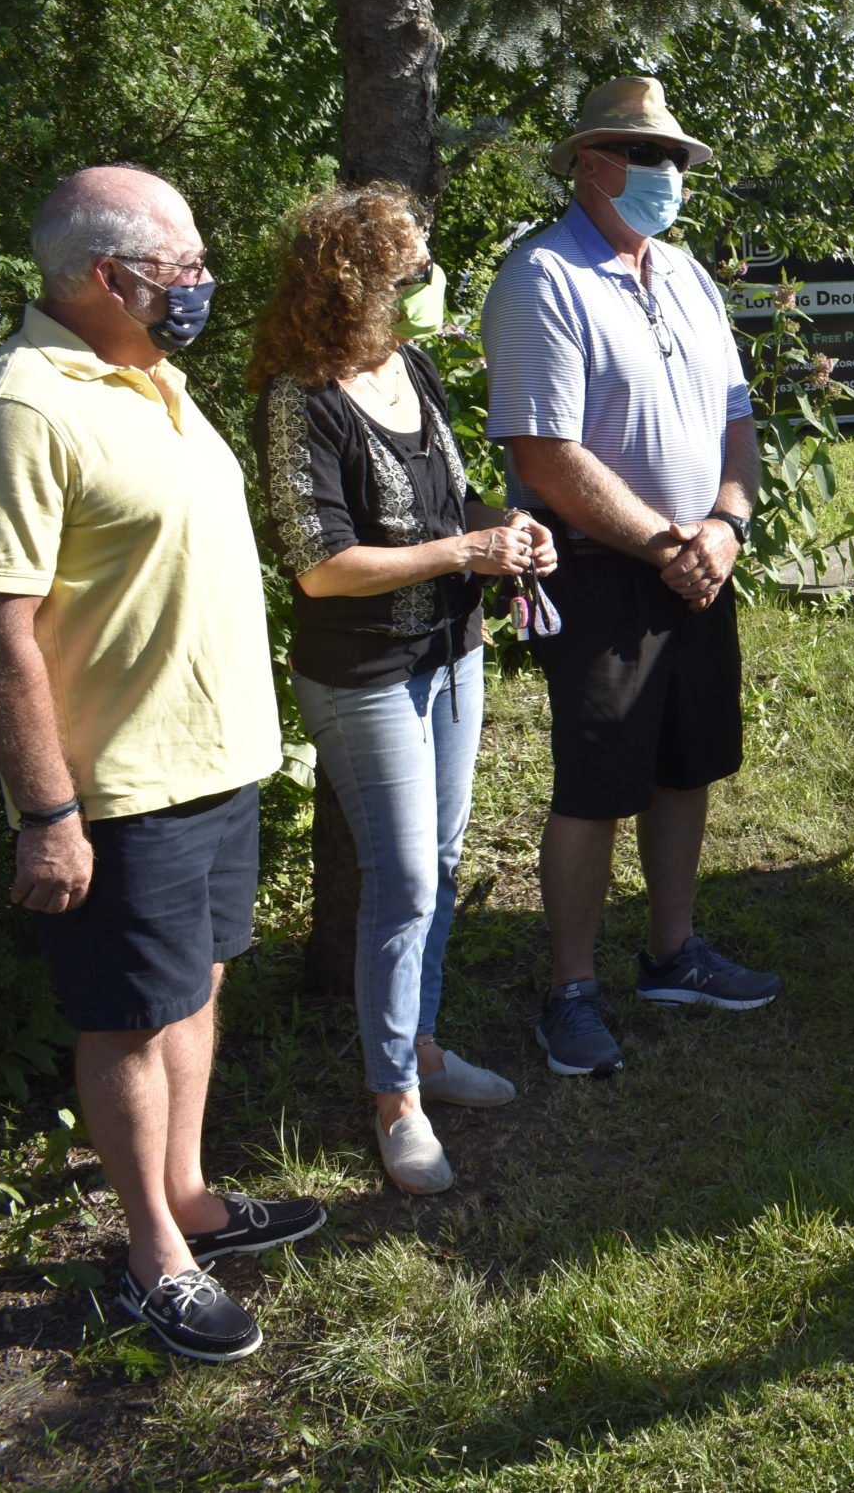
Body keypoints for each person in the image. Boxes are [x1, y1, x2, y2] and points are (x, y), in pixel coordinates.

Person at [0, 165, 321, 1364]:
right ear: (106, 278)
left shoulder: (156, 376)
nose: (203, 285)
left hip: (214, 761)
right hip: (116, 790)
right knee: (128, 1023)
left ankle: (197, 1199)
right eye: (185, 267)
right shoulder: (19, 408)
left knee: (197, 987)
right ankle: (154, 1253)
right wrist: (48, 810)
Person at [252, 184, 554, 1192]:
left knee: (447, 855)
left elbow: (446, 500)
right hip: (364, 671)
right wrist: (461, 547)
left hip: (452, 652)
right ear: (354, 279)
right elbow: (319, 565)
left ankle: (420, 1050)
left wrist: (504, 531)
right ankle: (393, 1104)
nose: (428, 281)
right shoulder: (300, 395)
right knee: (408, 882)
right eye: (411, 268)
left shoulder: (410, 366)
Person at [482, 76, 778, 1079]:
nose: (672, 178)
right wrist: (665, 545)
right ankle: (569, 991)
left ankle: (670, 954)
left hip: (701, 562)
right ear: (591, 163)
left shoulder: (687, 275)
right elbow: (546, 451)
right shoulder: (542, 278)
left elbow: (737, 420)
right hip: (609, 573)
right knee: (595, 785)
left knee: (684, 766)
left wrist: (727, 526)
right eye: (652, 159)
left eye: (679, 161)